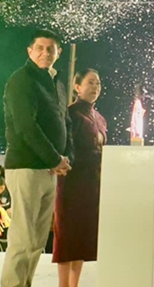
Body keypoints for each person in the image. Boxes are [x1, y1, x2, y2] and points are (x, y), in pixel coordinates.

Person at [1, 31, 72, 287]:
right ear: (29, 51)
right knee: (22, 239)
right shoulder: (21, 80)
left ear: (58, 53)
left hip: (50, 170)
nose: (45, 53)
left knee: (37, 242)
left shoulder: (57, 83)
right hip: (26, 166)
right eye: (40, 48)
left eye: (51, 49)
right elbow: (25, 127)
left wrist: (66, 157)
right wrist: (55, 158)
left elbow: (66, 123)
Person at [53, 68, 107, 287]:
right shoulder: (70, 114)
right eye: (90, 83)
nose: (95, 87)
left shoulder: (100, 118)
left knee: (82, 239)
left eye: (98, 83)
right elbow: (64, 146)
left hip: (92, 185)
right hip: (72, 183)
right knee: (67, 237)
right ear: (77, 87)